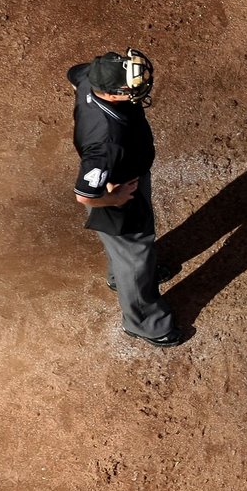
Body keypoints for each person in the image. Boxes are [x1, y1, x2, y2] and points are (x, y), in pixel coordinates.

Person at [68, 48, 186, 347]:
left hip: (126, 173)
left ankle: (119, 279)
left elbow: (74, 73)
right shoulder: (104, 142)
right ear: (109, 94)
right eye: (128, 87)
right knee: (135, 255)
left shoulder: (89, 77)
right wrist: (115, 198)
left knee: (127, 253)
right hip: (117, 191)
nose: (139, 85)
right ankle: (144, 323)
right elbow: (84, 195)